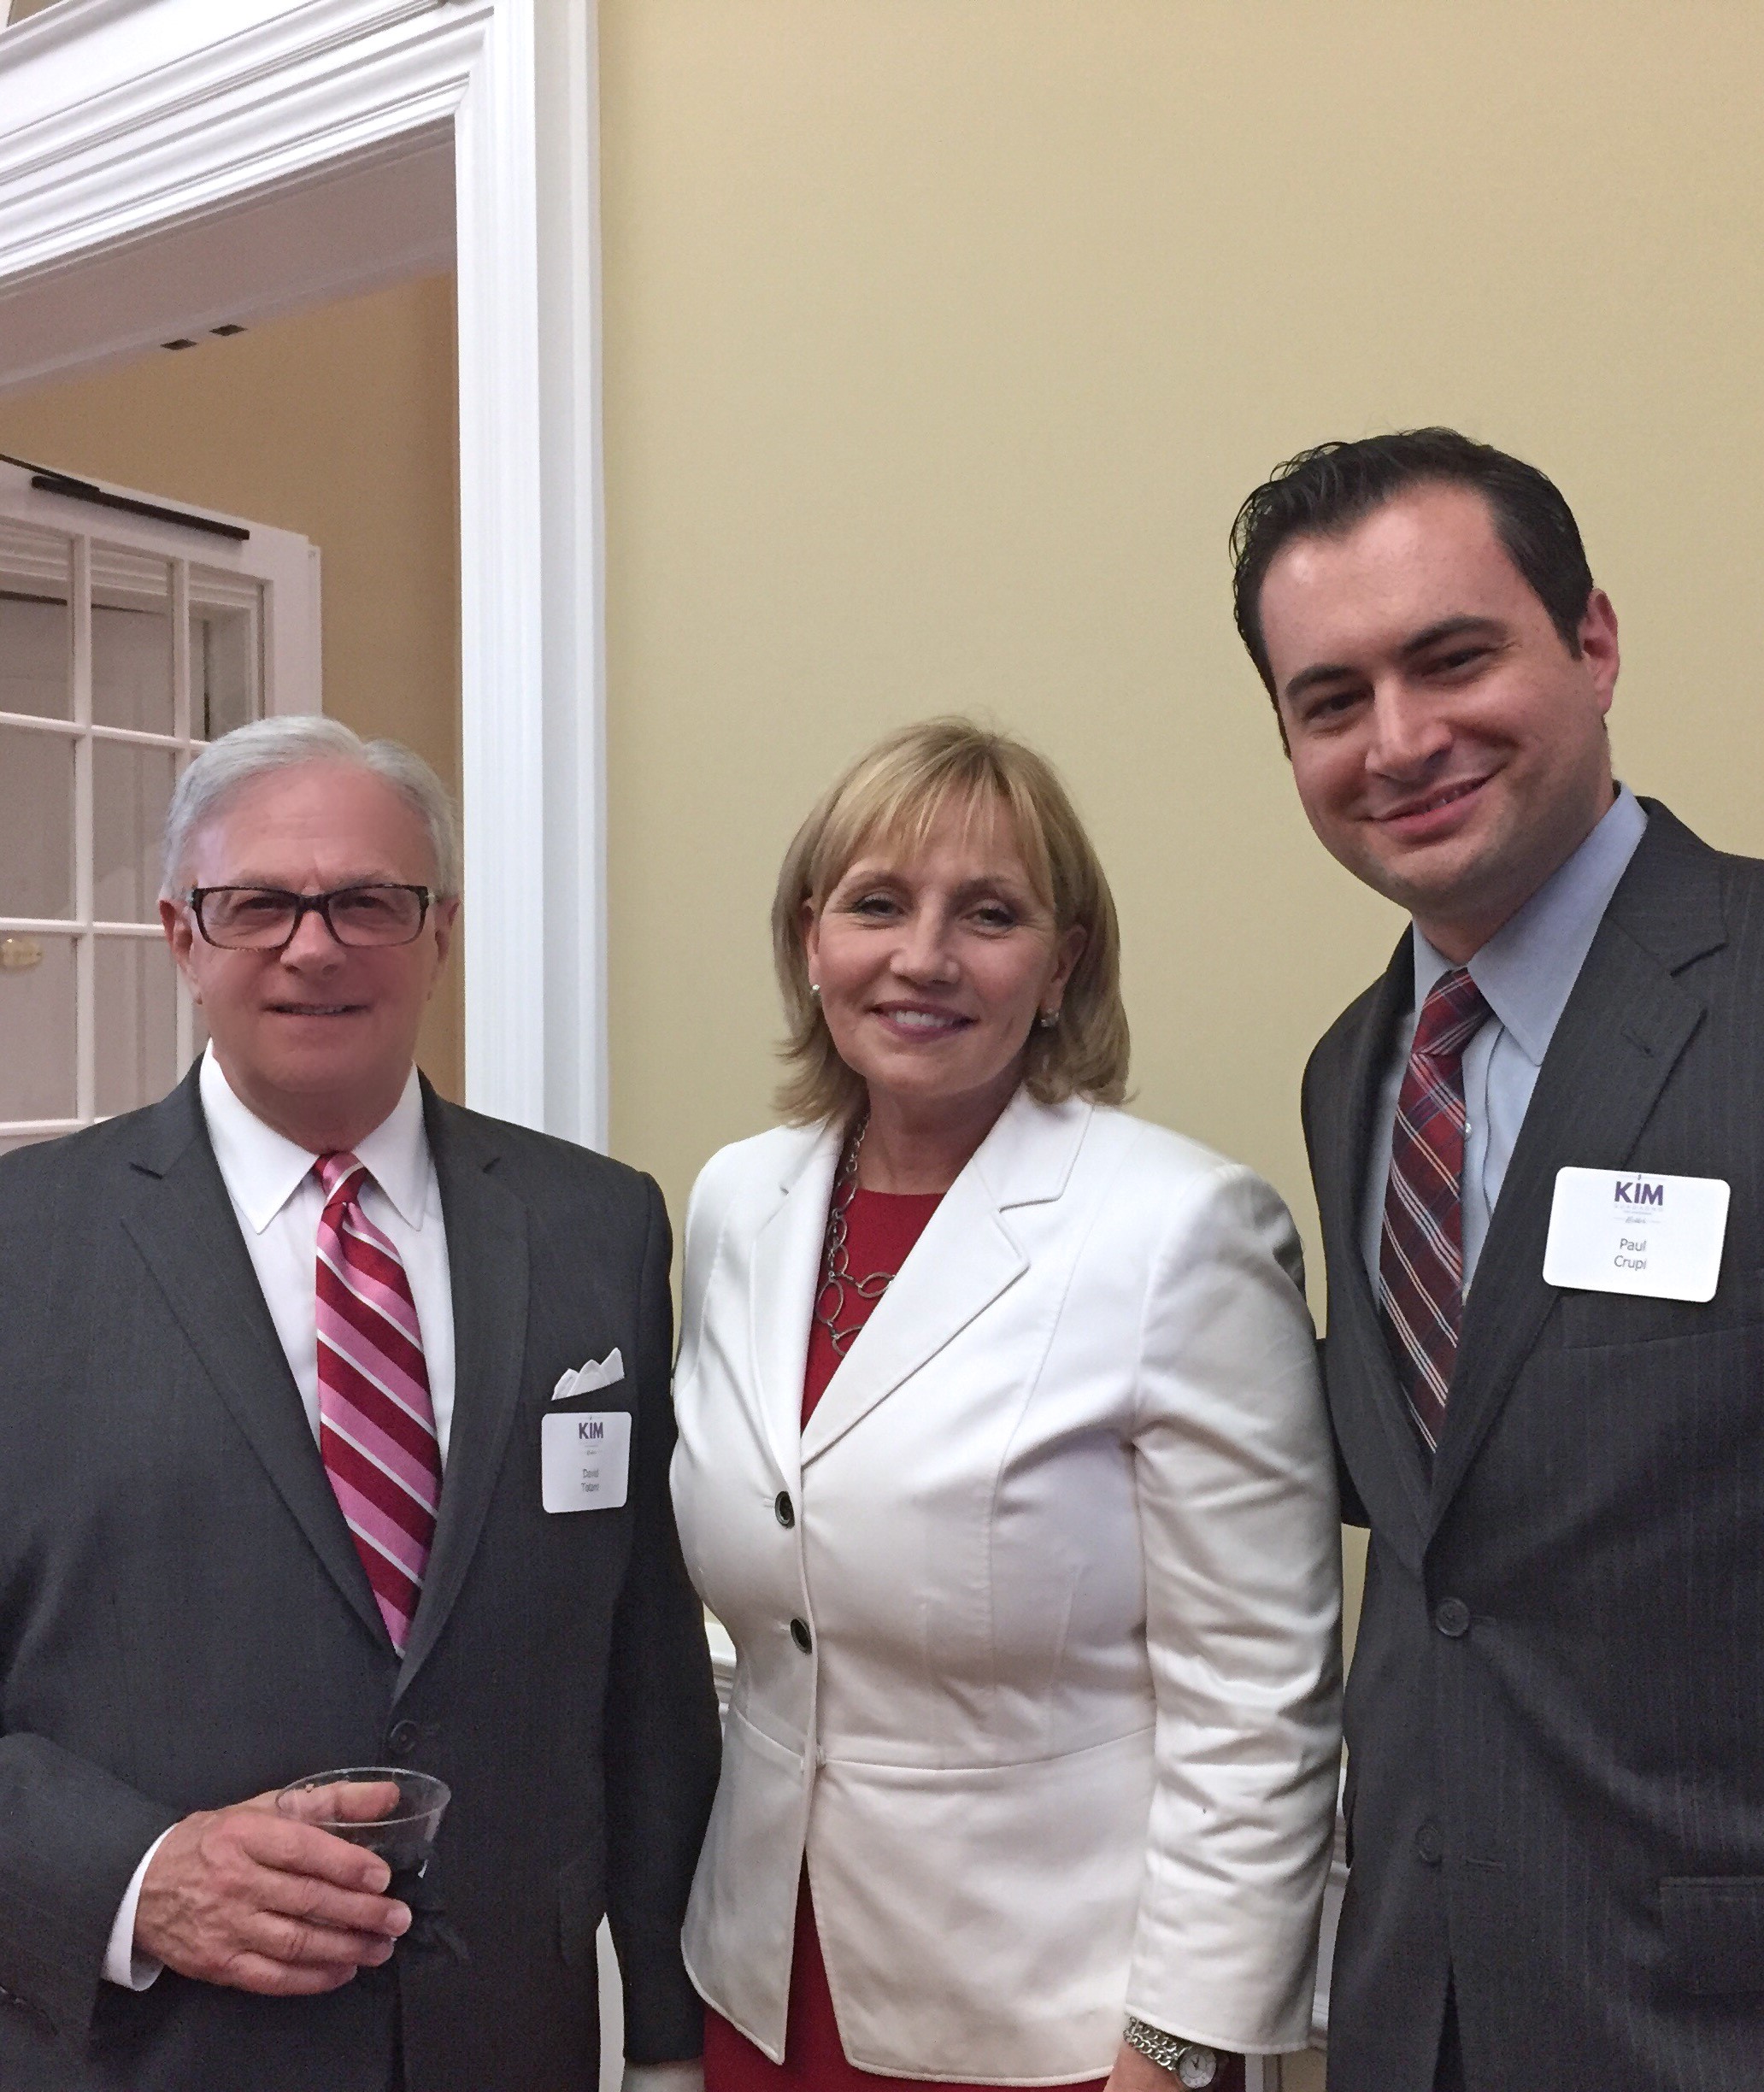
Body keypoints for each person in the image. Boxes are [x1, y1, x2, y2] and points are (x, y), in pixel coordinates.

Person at [0, 716, 720, 2092]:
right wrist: (135, 1876)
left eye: (367, 903)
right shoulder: (24, 1247)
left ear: (438, 933)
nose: (314, 946)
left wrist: (673, 2044)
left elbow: (647, 1676)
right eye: (258, 903)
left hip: (509, 2050)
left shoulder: (596, 1228)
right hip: (148, 2053)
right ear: (180, 935)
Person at [670, 718, 1342, 2092]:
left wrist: (1176, 2044)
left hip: (1059, 2024)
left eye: (988, 914)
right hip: (758, 1978)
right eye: (876, 904)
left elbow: (1258, 1695)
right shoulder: (742, 1199)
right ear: (811, 940)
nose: (924, 958)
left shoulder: (1180, 1230)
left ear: (1061, 964)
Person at [1230, 427, 1764, 2091]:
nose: (1399, 741)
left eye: (1453, 658)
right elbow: (1454, 1542)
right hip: (1422, 2005)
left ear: (1592, 643)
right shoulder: (1356, 1073)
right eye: (1331, 701)